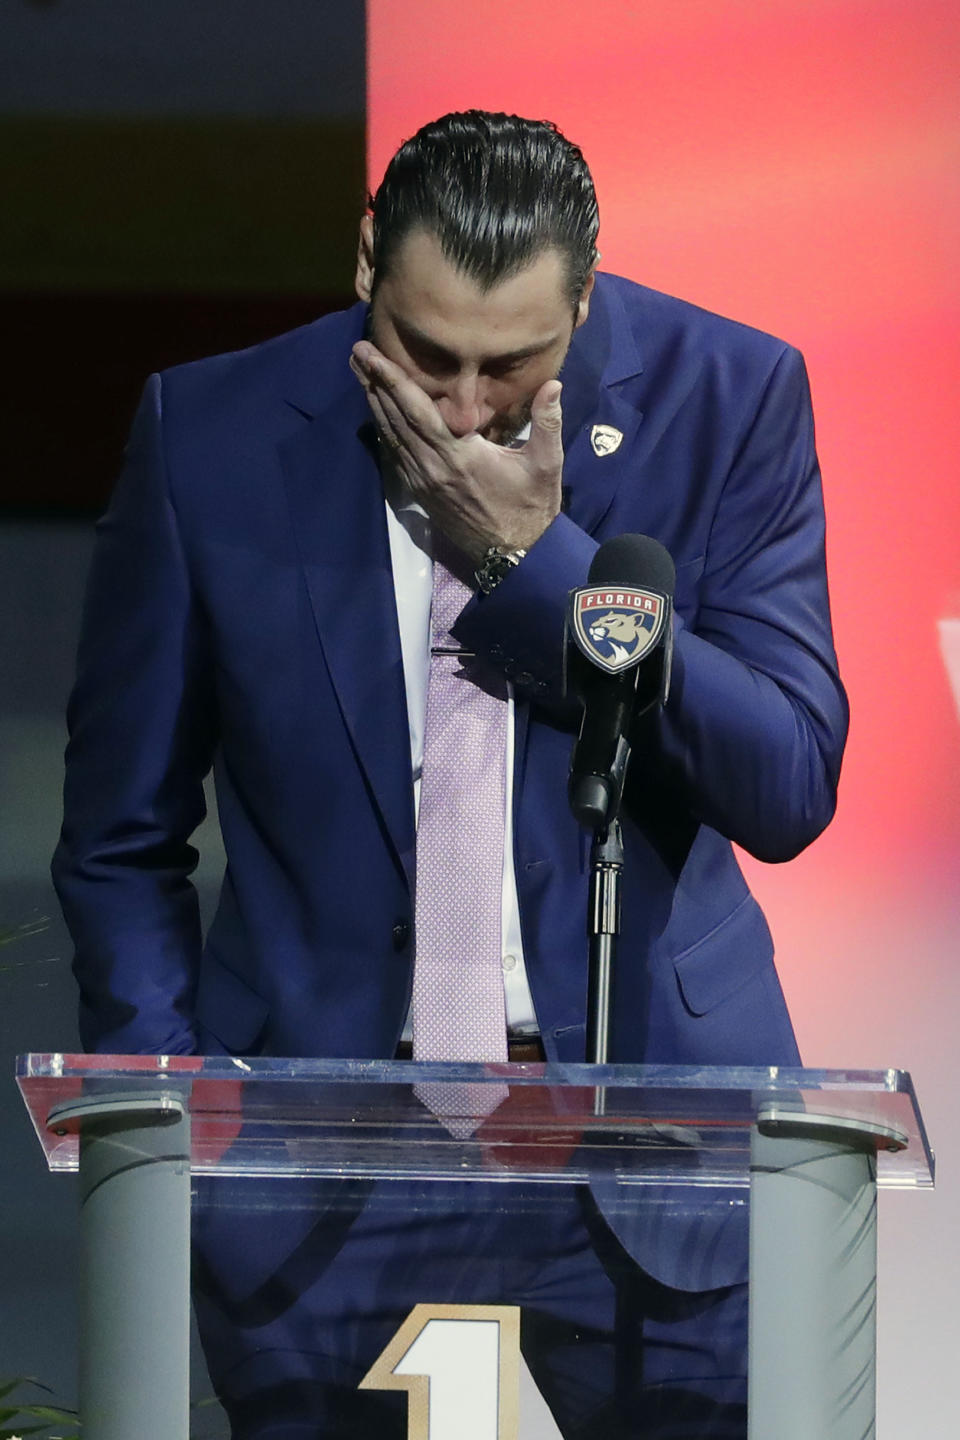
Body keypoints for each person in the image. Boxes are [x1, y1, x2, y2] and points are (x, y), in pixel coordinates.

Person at [53, 111, 848, 1438]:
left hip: (653, 1149)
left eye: (511, 365)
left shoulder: (732, 395)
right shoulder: (210, 431)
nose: (462, 408)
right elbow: (120, 831)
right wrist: (176, 1114)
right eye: (424, 355)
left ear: (585, 299)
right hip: (318, 1166)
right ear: (366, 253)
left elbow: (787, 781)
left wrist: (535, 563)